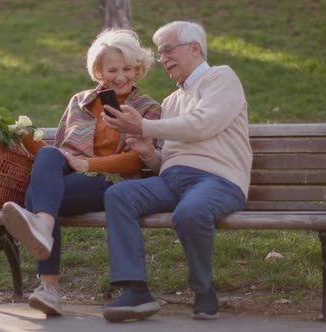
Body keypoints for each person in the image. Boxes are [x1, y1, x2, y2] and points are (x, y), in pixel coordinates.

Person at [1, 29, 162, 316]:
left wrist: (88, 165)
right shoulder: (80, 101)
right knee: (49, 155)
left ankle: (49, 286)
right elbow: (58, 155)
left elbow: (135, 162)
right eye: (112, 69)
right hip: (69, 178)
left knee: (38, 197)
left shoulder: (147, 108)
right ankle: (44, 228)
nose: (121, 76)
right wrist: (25, 137)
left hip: (110, 183)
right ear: (99, 71)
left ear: (139, 70)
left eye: (128, 69)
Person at [100, 21, 252, 322]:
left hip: (218, 180)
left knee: (190, 213)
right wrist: (147, 150)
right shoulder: (171, 101)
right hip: (173, 180)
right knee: (119, 195)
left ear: (195, 48)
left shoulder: (221, 78)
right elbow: (167, 162)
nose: (163, 59)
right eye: (160, 54)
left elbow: (202, 124)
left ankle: (203, 289)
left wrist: (143, 125)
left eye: (168, 50)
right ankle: (135, 290)